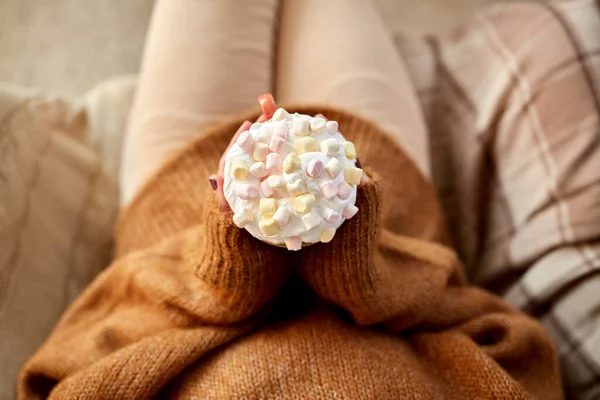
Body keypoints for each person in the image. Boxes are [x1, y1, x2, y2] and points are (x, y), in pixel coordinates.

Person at [18, 0, 600, 398]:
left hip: (178, 199)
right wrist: (361, 264)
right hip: (380, 181)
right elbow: (517, 349)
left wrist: (224, 269)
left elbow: (75, 360)